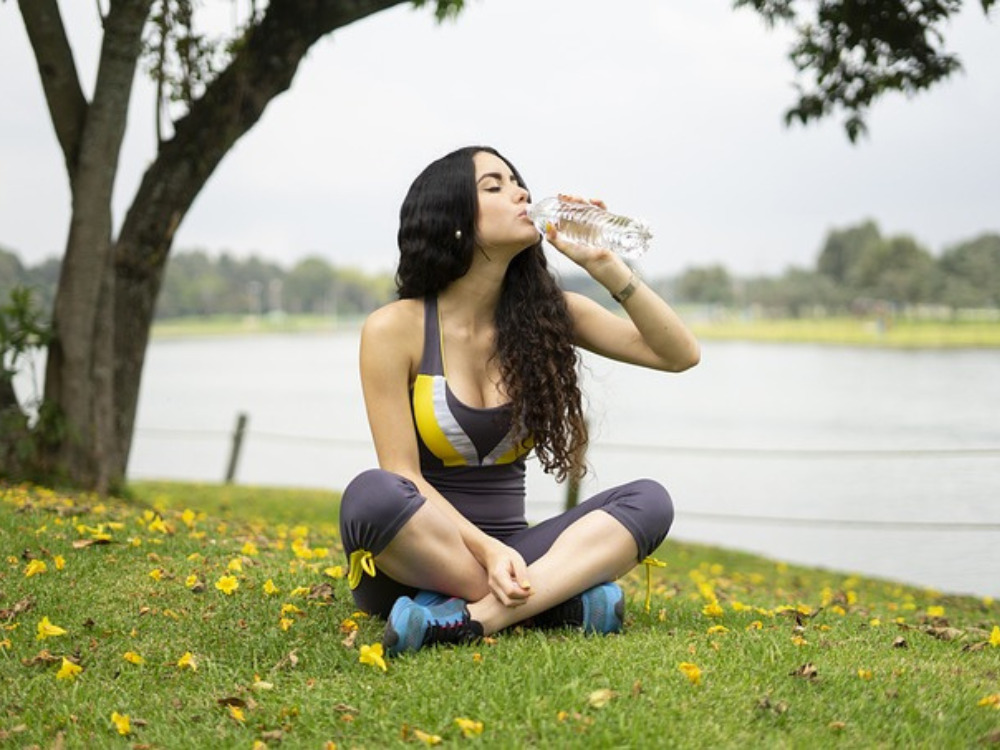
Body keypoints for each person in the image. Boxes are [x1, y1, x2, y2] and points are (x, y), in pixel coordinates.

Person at [339, 146, 700, 656]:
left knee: (649, 501)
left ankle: (471, 619)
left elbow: (679, 354)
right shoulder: (394, 329)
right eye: (494, 186)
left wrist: (603, 263)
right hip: (415, 555)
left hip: (519, 552)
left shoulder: (550, 315)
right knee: (372, 495)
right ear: (453, 218)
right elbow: (405, 477)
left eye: (517, 182)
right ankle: (556, 601)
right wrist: (487, 551)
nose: (522, 193)